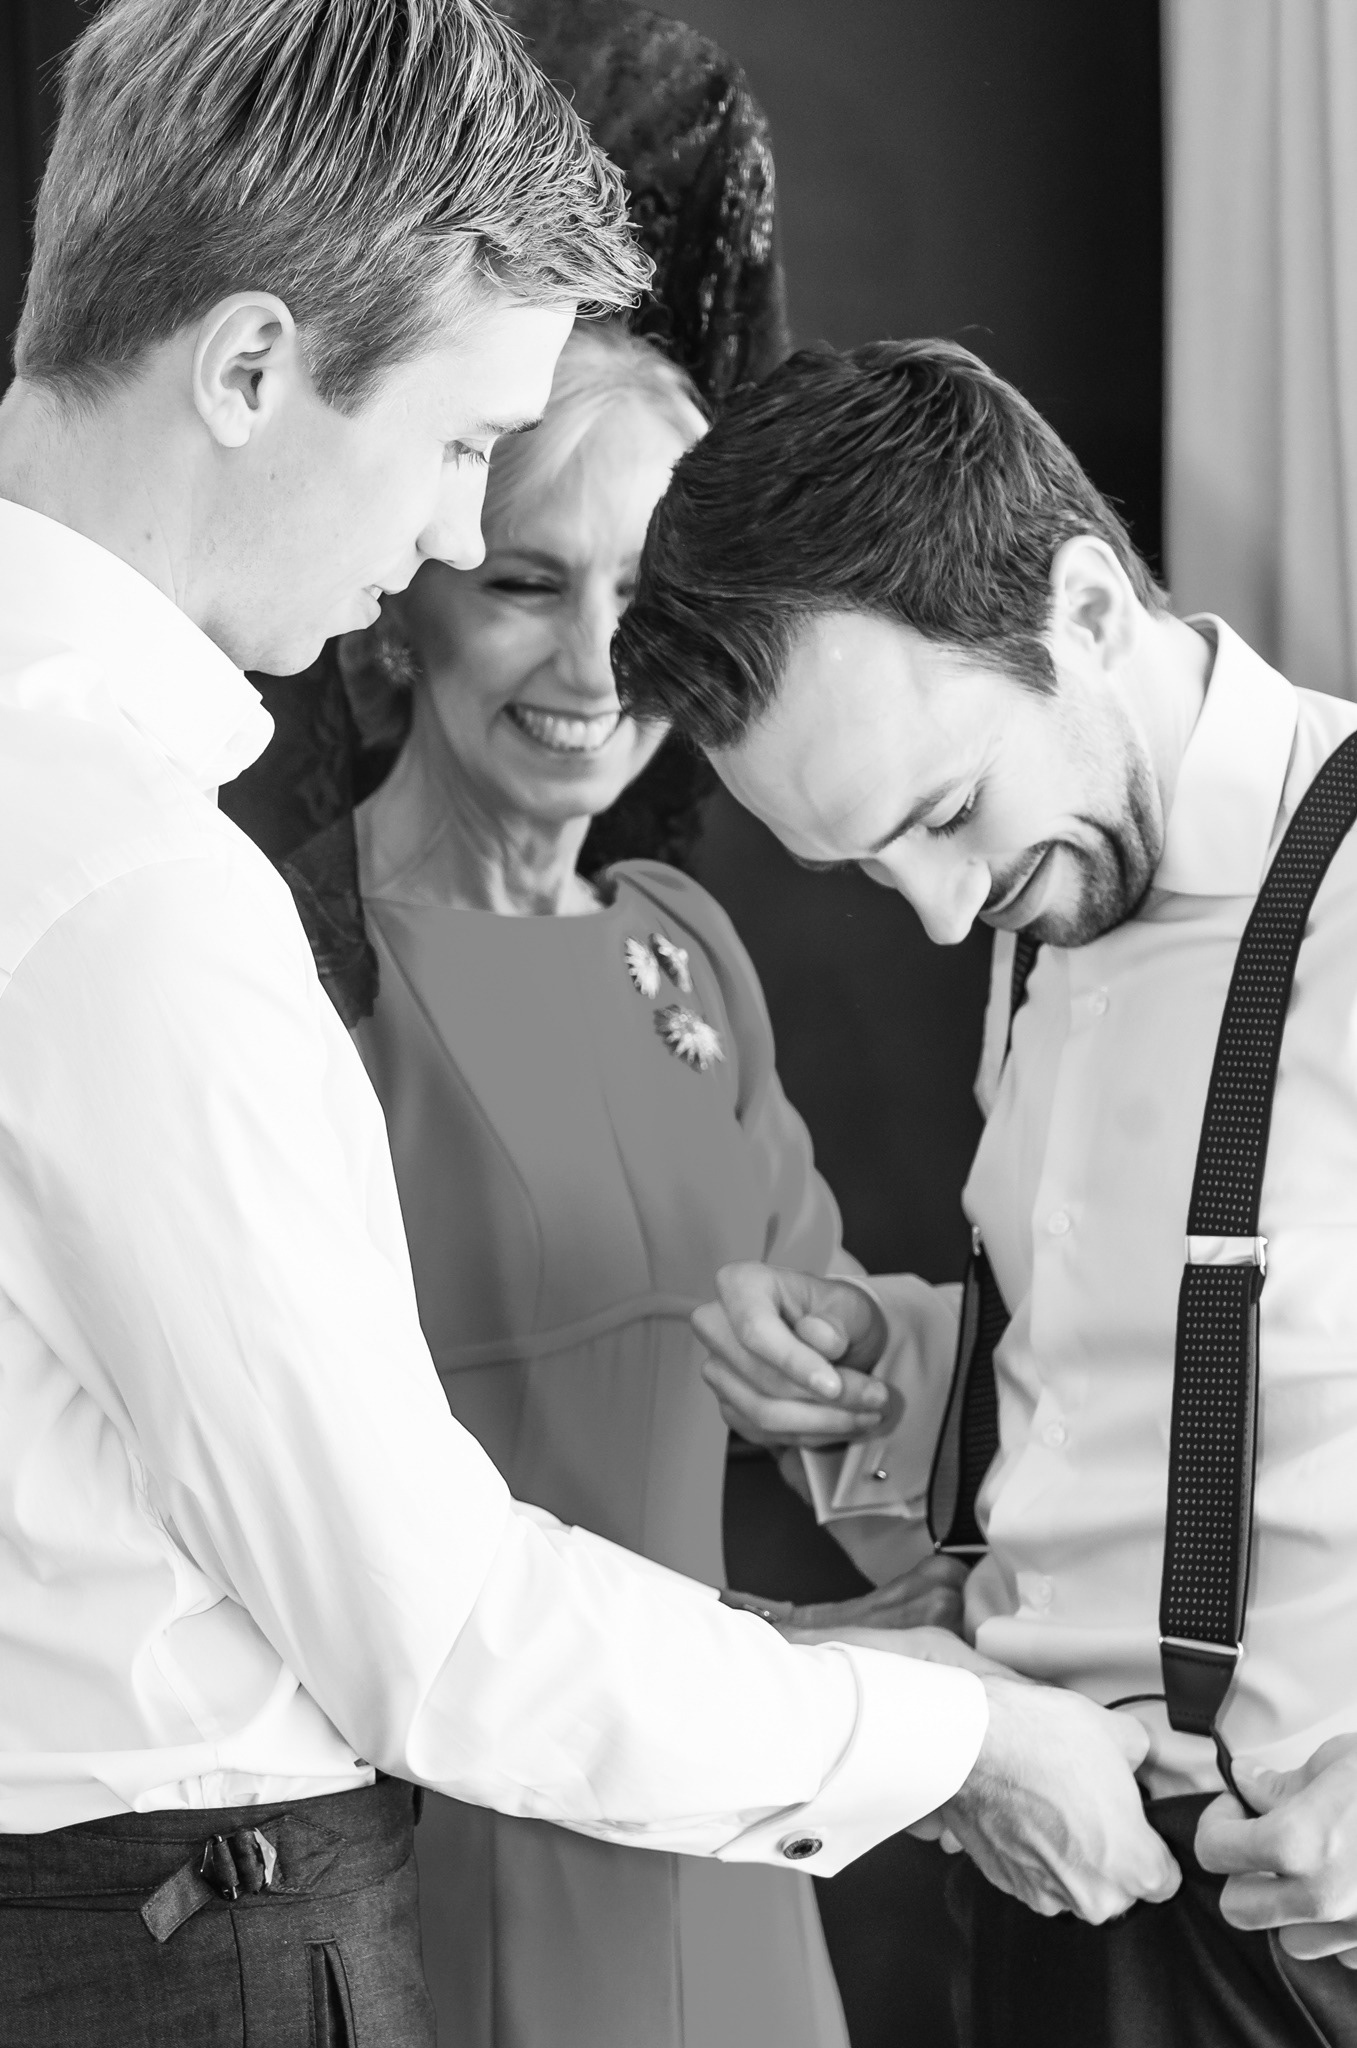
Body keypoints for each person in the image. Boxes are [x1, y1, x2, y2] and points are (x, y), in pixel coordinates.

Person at [0, 7, 1173, 2045]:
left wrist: (895, 1485)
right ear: (253, 369)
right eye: (466, 451)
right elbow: (438, 1628)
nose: (452, 542)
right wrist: (948, 1736)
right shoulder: (149, 901)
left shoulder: (116, 837)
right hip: (266, 1912)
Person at [614, 335, 1357, 2047]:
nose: (942, 914)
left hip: (1303, 1941)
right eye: (867, 866)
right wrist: (891, 1366)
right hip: (1049, 1896)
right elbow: (1165, 1369)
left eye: (945, 815)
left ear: (1083, 610)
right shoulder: (1047, 894)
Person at [296, 314, 897, 2048]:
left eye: (640, 594)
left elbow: (846, 1416)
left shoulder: (684, 948)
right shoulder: (299, 967)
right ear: (403, 603)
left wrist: (857, 1377)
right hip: (458, 1861)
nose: (593, 658)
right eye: (524, 583)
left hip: (735, 1829)